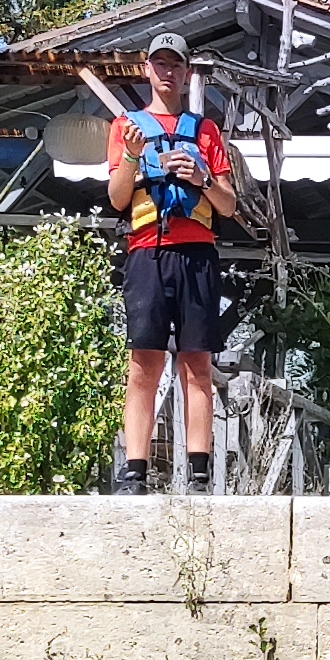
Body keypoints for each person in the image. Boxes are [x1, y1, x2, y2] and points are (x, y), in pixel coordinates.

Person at [101, 34, 241, 494]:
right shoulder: (126, 127)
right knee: (144, 363)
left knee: (197, 363)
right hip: (146, 252)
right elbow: (119, 198)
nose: (167, 72)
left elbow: (228, 206)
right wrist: (136, 157)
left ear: (185, 73)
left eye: (175, 65)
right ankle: (134, 473)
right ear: (147, 69)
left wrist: (201, 178)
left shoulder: (206, 131)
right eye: (158, 63)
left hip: (197, 255)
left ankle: (199, 475)